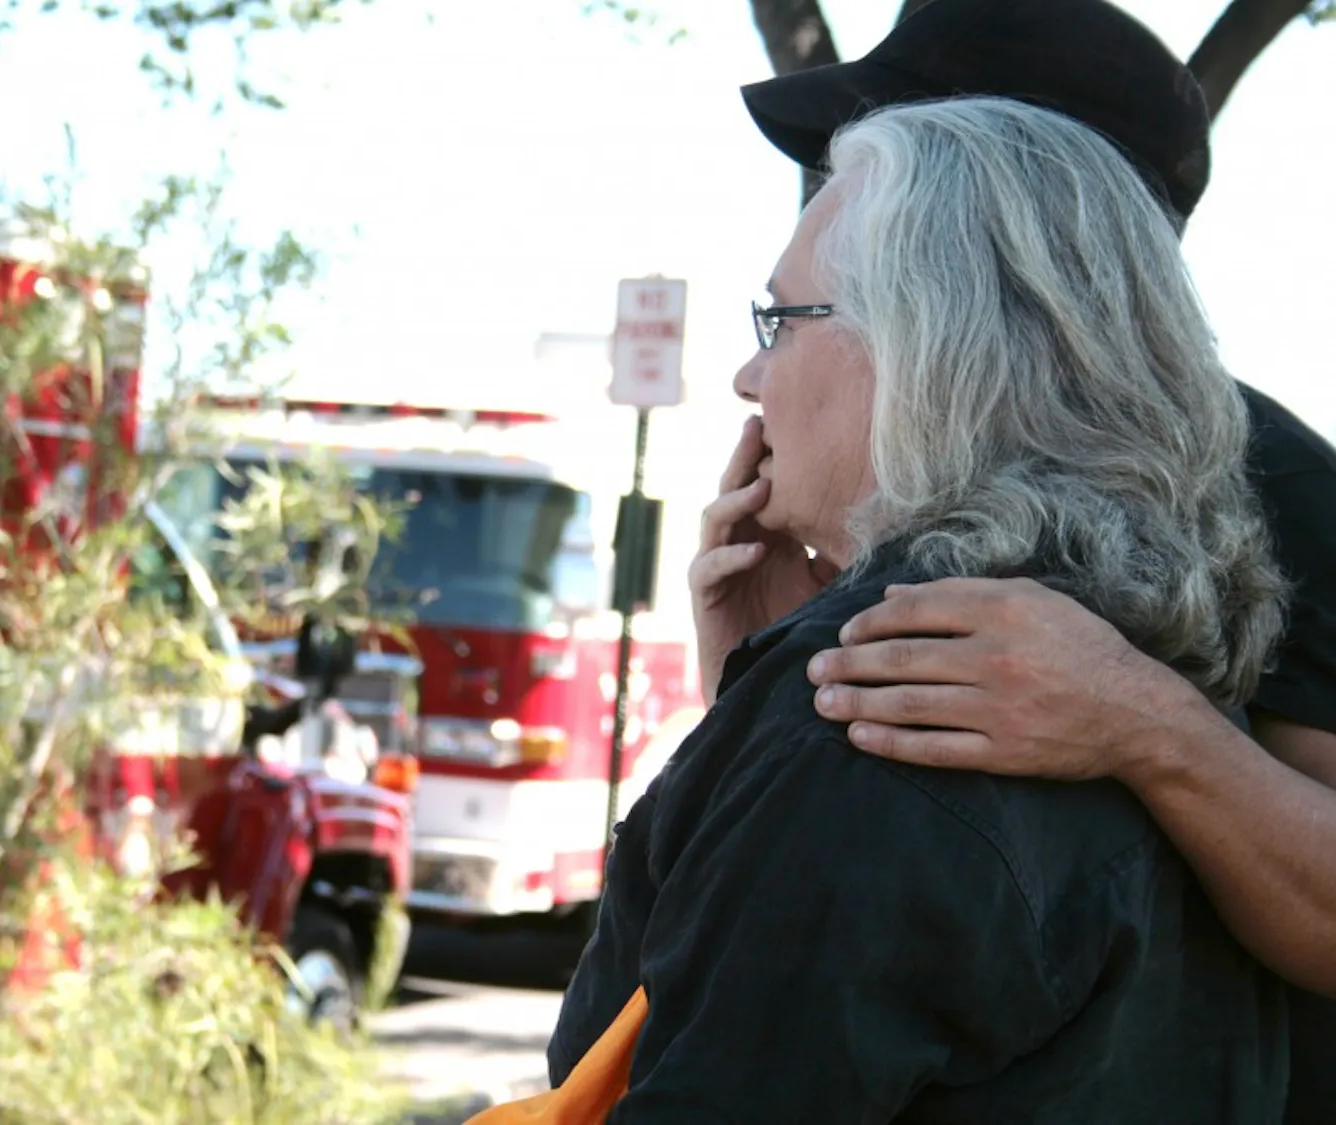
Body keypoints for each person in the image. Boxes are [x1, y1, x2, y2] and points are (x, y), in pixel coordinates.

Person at [536, 96, 1288, 1122]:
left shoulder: (887, 697)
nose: (749, 377)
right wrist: (747, 692)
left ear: (927, 346)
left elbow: (646, 1071)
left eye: (781, 321)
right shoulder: (1149, 655)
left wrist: (781, 713)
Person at [731, 2, 1336, 1120]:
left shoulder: (1281, 481)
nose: (849, 190)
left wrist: (1147, 721)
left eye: (910, 155)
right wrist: (754, 668)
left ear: (1024, 204)